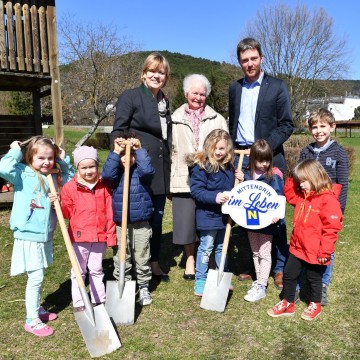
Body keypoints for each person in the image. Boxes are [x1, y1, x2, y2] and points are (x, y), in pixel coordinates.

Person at [228, 37, 294, 287]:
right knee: (246, 213)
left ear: (261, 58)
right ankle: (252, 263)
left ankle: (278, 267)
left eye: (254, 58)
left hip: (269, 159)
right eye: (245, 60)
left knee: (274, 213)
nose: (250, 63)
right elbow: (233, 122)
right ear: (240, 62)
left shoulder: (277, 86)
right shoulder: (235, 88)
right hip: (242, 159)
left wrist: (262, 149)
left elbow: (287, 124)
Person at [0, 136, 74, 337]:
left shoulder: (53, 174)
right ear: (30, 157)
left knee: (39, 272)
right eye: (41, 157)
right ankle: (31, 320)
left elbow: (70, 182)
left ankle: (37, 309)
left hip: (44, 234)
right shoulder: (22, 173)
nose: (46, 162)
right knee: (36, 277)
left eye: (50, 157)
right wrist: (14, 150)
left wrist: (63, 160)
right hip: (28, 234)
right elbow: (3, 168)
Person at [111, 53, 171, 281]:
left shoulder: (165, 102)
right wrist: (123, 155)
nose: (157, 75)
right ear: (144, 73)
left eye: (161, 72)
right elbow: (118, 130)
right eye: (152, 71)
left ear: (166, 77)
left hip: (159, 169)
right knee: (136, 218)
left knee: (156, 217)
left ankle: (152, 263)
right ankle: (127, 264)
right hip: (137, 169)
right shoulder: (131, 97)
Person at [267, 160, 342, 321]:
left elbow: (331, 229)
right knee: (289, 273)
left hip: (316, 251)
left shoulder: (328, 201)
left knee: (313, 278)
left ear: (315, 177)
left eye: (303, 181)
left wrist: (325, 251)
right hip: (297, 247)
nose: (300, 185)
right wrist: (291, 177)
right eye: (299, 181)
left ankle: (315, 303)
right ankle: (288, 302)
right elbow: (290, 195)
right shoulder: (302, 197)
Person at [171, 74, 228, 280]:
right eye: (195, 93)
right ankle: (190, 259)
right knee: (186, 222)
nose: (198, 97)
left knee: (209, 220)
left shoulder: (218, 119)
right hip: (182, 177)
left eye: (202, 94)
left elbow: (225, 149)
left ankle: (211, 258)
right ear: (186, 93)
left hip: (211, 178)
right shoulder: (174, 118)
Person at [298, 108, 349, 305]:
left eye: (323, 126)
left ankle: (323, 284)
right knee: (306, 244)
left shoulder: (339, 153)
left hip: (328, 210)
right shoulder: (306, 152)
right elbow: (298, 179)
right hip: (308, 209)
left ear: (332, 127)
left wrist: (339, 211)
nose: (318, 130)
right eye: (314, 127)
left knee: (326, 247)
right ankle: (306, 281)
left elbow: (342, 183)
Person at [60, 146, 116, 312]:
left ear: (97, 166)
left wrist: (111, 236)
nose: (88, 171)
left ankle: (99, 300)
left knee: (97, 269)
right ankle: (79, 302)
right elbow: (67, 213)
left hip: (99, 236)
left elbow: (110, 213)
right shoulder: (70, 187)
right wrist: (60, 203)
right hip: (79, 237)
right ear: (78, 168)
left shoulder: (103, 186)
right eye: (84, 168)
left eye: (92, 166)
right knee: (78, 270)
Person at [102, 131, 155, 306]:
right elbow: (107, 176)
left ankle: (144, 286)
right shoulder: (116, 174)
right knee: (121, 256)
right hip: (120, 224)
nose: (127, 158)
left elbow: (148, 170)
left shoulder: (141, 173)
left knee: (141, 255)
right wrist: (116, 152)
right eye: (123, 155)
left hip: (141, 223)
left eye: (131, 154)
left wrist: (139, 149)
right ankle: (122, 284)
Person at [188, 129, 239, 296]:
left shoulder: (230, 167)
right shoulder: (202, 167)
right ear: (208, 147)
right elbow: (197, 191)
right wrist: (215, 197)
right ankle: (201, 280)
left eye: (222, 149)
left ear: (228, 149)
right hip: (208, 215)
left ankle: (222, 276)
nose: (218, 152)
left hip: (224, 216)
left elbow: (235, 190)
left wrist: (240, 179)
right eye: (215, 148)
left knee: (221, 247)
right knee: (206, 247)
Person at [240, 140, 284, 302]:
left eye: (267, 160)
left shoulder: (273, 177)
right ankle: (259, 281)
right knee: (255, 252)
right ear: (252, 159)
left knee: (264, 252)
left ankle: (262, 284)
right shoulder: (247, 174)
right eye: (260, 160)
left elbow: (279, 198)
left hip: (266, 221)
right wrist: (242, 180)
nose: (264, 164)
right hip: (251, 219)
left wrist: (276, 214)